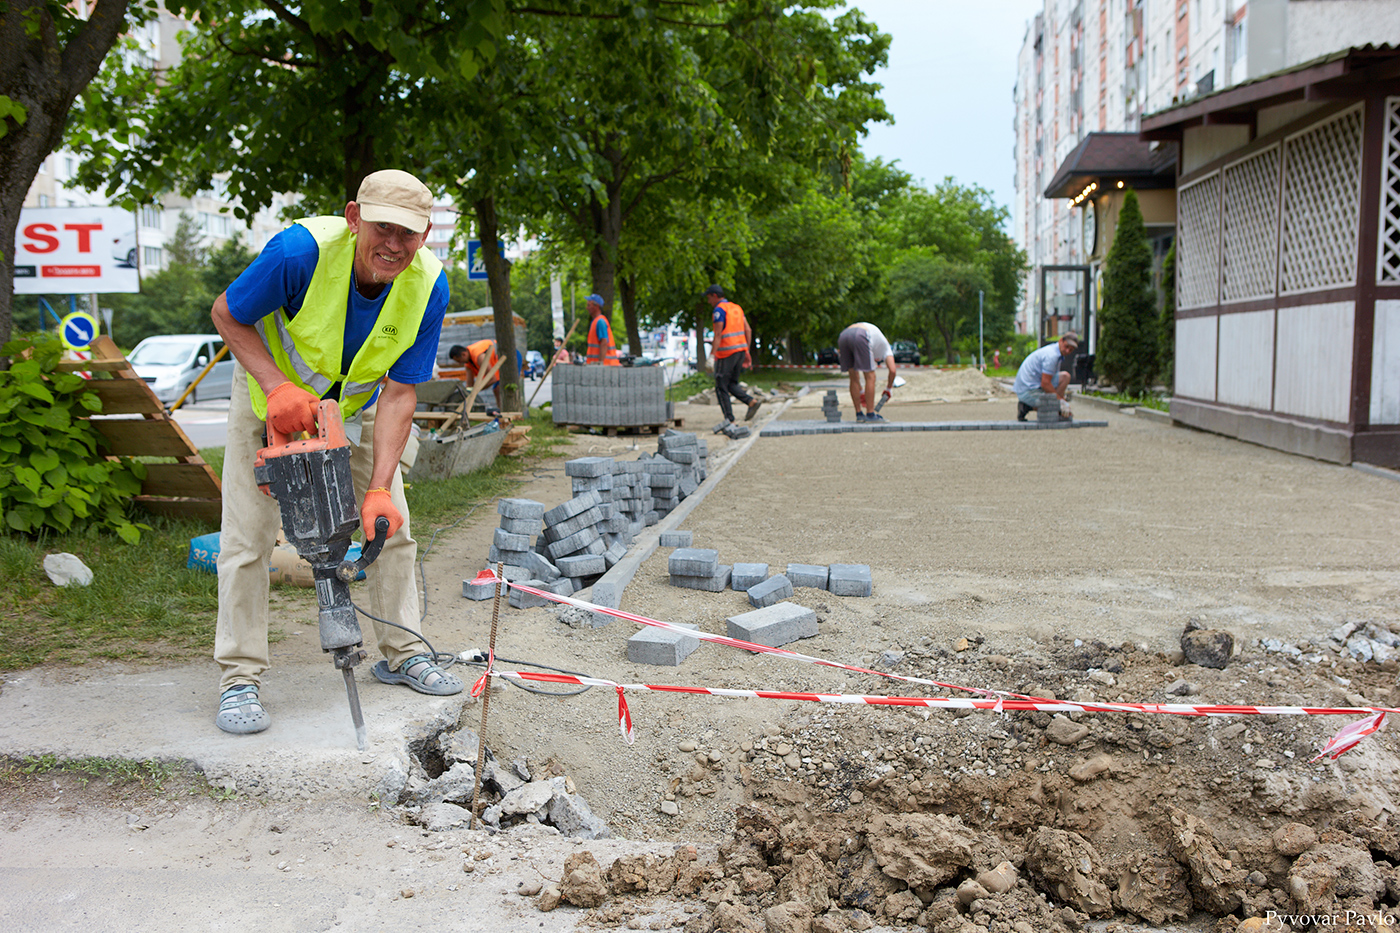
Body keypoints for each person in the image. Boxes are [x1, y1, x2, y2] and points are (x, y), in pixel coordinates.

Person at [209, 168, 463, 736]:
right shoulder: (299, 252)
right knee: (248, 539)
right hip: (265, 400)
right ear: (354, 218)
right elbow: (227, 313)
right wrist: (276, 386)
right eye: (383, 228)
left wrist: (378, 486)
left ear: (425, 236)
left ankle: (404, 653)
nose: (394, 245)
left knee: (390, 527)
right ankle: (239, 677)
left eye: (410, 233)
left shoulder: (429, 286)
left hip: (353, 409)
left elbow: (400, 390)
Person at [703, 284, 761, 427]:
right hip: (740, 351)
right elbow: (748, 329)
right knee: (731, 384)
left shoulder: (719, 310)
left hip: (726, 353)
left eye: (709, 298)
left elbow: (717, 334)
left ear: (715, 296)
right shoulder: (737, 308)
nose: (708, 301)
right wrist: (746, 350)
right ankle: (751, 402)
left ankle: (730, 420)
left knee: (720, 386)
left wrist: (711, 356)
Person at [837, 321, 897, 423]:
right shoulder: (887, 348)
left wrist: (861, 392)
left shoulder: (876, 340)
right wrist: (888, 389)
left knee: (852, 375)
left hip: (843, 335)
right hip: (861, 334)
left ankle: (859, 414)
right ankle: (870, 414)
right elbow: (892, 370)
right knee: (870, 376)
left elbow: (856, 375)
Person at [1013, 332, 1078, 421]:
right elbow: (1045, 383)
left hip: (1034, 384)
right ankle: (1025, 406)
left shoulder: (1055, 351)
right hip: (1027, 391)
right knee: (1050, 407)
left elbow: (1049, 381)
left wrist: (1061, 401)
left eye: (1071, 350)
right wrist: (1061, 402)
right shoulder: (1052, 356)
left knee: (1065, 377)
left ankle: (1056, 407)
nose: (1067, 351)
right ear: (1061, 341)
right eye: (1066, 347)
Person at [448, 339, 520, 411]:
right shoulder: (468, 362)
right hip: (500, 364)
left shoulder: (479, 357)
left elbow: (493, 379)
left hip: (511, 356)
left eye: (459, 360)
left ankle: (510, 411)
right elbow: (469, 385)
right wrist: (467, 394)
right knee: (497, 389)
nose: (460, 363)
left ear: (463, 354)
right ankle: (501, 413)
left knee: (502, 387)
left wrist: (476, 390)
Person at [584, 293, 621, 365]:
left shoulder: (600, 321)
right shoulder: (596, 321)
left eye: (589, 305)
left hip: (606, 366)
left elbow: (604, 342)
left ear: (596, 306)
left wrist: (600, 363)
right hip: (603, 365)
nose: (587, 308)